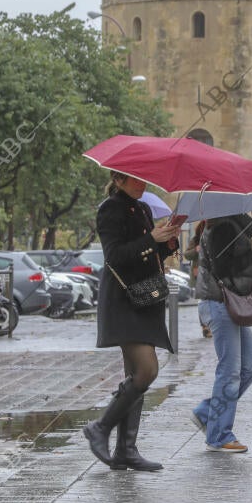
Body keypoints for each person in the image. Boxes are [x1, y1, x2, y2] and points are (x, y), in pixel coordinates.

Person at [83, 170, 179, 471]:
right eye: (135, 179)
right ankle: (100, 427)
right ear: (118, 180)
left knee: (135, 376)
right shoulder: (110, 209)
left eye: (144, 179)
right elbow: (115, 256)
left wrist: (167, 242)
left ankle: (126, 450)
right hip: (124, 301)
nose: (143, 184)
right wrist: (151, 238)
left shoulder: (144, 208)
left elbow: (149, 255)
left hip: (146, 299)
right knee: (147, 370)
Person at [191, 213, 252, 452]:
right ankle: (219, 435)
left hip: (230, 304)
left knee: (251, 365)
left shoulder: (231, 224)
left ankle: (207, 412)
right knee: (230, 371)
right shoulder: (223, 226)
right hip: (220, 303)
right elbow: (222, 268)